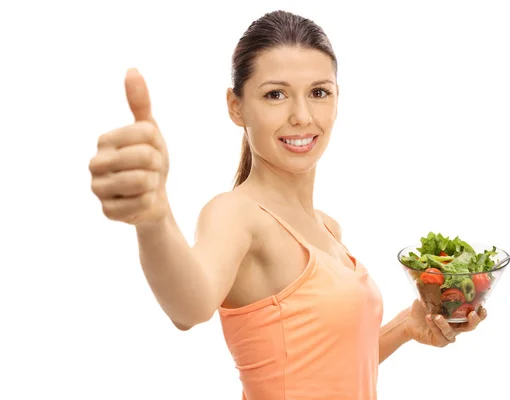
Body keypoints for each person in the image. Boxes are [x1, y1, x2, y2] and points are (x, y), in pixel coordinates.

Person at [88, 10, 486, 400]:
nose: (301, 116)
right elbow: (188, 306)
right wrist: (154, 217)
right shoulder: (237, 214)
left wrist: (403, 327)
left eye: (318, 93)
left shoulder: (328, 228)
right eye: (275, 94)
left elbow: (321, 370)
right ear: (236, 106)